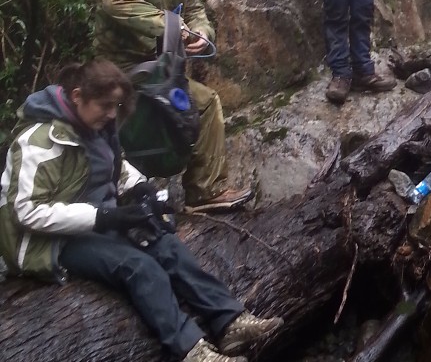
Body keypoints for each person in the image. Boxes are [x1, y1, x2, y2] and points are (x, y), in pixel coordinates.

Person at [0, 60, 283, 362]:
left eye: (116, 106)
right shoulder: (39, 141)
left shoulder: (98, 126)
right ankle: (191, 350)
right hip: (49, 242)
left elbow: (114, 166)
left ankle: (229, 322)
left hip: (97, 221)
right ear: (78, 96)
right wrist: (105, 217)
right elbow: (27, 211)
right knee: (137, 266)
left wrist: (139, 187)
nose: (112, 114)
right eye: (105, 105)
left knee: (165, 243)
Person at [95, 0, 250, 212]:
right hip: (118, 69)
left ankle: (205, 192)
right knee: (114, 126)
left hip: (159, 71)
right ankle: (107, 193)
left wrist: (202, 35)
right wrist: (168, 25)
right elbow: (116, 1)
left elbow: (195, 11)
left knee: (204, 103)